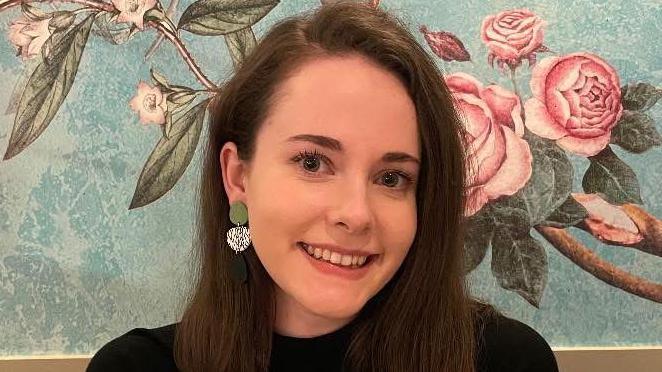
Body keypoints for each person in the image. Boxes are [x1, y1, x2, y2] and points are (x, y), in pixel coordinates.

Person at [87, 2, 559, 371]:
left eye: (391, 178)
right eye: (313, 162)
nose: (355, 214)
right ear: (237, 177)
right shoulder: (135, 367)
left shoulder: (505, 362)